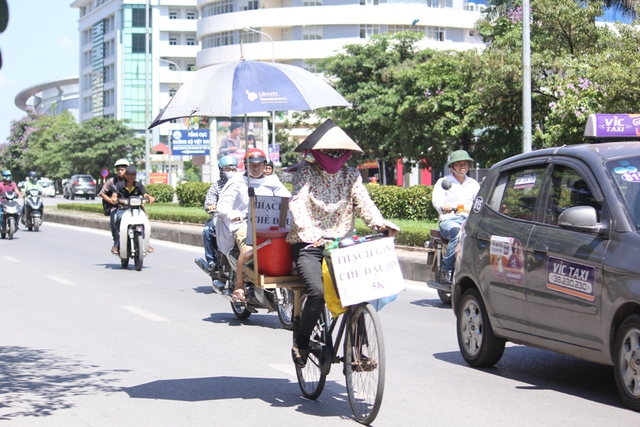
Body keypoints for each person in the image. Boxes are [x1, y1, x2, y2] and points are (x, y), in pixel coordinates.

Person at [285, 119, 399, 368]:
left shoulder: (351, 175)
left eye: (338, 152)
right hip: (309, 243)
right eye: (328, 152)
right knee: (316, 293)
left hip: (341, 244)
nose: (334, 156)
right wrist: (308, 230)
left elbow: (364, 202)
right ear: (317, 153)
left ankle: (357, 353)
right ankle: (301, 343)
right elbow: (297, 202)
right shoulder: (306, 173)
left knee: (359, 292)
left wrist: (380, 225)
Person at [216, 148, 291, 302]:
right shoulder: (236, 182)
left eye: (259, 164)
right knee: (249, 250)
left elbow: (288, 199)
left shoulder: (273, 182)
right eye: (251, 164)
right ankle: (238, 286)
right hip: (243, 224)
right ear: (245, 165)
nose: (255, 167)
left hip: (270, 226)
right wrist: (232, 214)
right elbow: (222, 205)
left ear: (265, 165)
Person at [431, 150, 480, 284]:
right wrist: (443, 207)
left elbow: (480, 202)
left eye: (465, 164)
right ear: (452, 167)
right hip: (450, 220)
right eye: (458, 164)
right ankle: (446, 270)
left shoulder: (474, 184)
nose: (462, 166)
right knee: (458, 233)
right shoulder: (444, 182)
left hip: (469, 220)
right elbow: (437, 201)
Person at [201, 155, 239, 271]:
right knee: (207, 231)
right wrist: (211, 206)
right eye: (228, 169)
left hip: (239, 218)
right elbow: (209, 202)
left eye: (233, 169)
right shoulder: (216, 187)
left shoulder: (242, 184)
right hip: (221, 218)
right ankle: (211, 261)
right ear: (221, 170)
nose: (231, 172)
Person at [109, 166, 156, 254]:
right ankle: (116, 245)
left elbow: (145, 194)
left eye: (133, 174)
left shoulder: (138, 185)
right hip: (123, 209)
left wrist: (149, 197)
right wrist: (114, 197)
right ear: (126, 175)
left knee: (144, 223)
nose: (131, 176)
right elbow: (114, 194)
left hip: (136, 210)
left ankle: (146, 243)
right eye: (129, 174)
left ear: (136, 175)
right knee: (119, 221)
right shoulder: (119, 184)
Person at [99, 159, 130, 250]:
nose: (120, 172)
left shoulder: (132, 180)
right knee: (114, 221)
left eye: (122, 169)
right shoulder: (112, 181)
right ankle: (116, 242)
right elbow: (102, 193)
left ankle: (144, 242)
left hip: (130, 207)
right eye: (118, 170)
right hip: (116, 207)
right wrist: (110, 200)